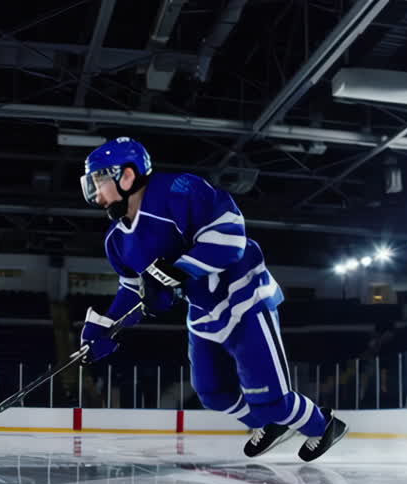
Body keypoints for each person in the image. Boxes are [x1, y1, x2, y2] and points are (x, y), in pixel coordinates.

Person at [77, 137, 346, 462]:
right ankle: (269, 424)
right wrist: (105, 328)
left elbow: (230, 237)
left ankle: (323, 425)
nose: (96, 194)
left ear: (127, 176)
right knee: (213, 393)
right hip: (202, 310)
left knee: (273, 400)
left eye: (99, 182)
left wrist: (175, 272)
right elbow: (134, 291)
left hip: (243, 297)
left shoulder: (179, 190)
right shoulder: (117, 241)